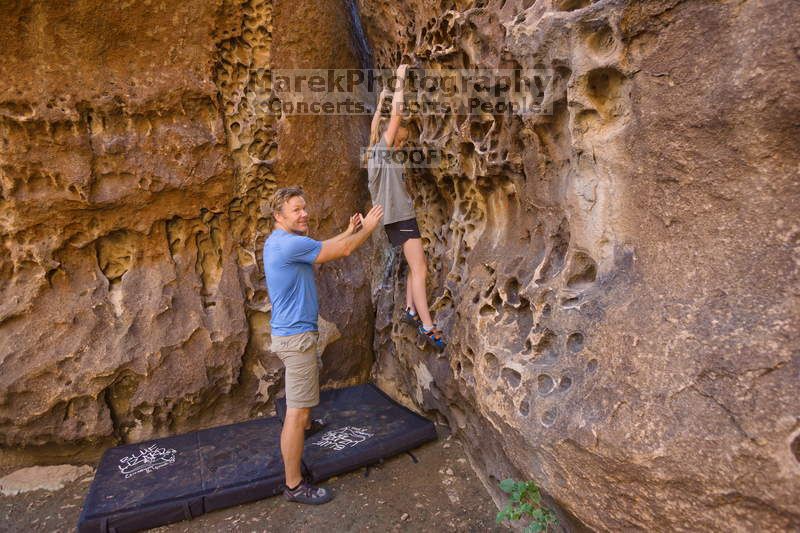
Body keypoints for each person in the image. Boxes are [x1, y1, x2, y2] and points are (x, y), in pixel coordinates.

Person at [263, 187, 383, 504]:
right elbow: (341, 252)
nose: (304, 213)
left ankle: (306, 424)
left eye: (304, 207)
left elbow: (326, 246)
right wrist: (368, 229)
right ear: (279, 216)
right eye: (296, 210)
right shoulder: (289, 244)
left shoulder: (279, 242)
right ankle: (293, 486)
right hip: (296, 337)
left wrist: (349, 230)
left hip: (293, 333)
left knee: (303, 393)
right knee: (296, 407)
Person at [366, 64, 446, 351]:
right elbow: (395, 116)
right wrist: (400, 79)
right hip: (400, 219)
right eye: (401, 137)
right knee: (421, 268)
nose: (402, 144)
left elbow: (378, 123)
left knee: (415, 266)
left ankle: (411, 309)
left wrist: (382, 100)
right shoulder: (381, 152)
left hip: (398, 219)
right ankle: (427, 324)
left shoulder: (376, 151)